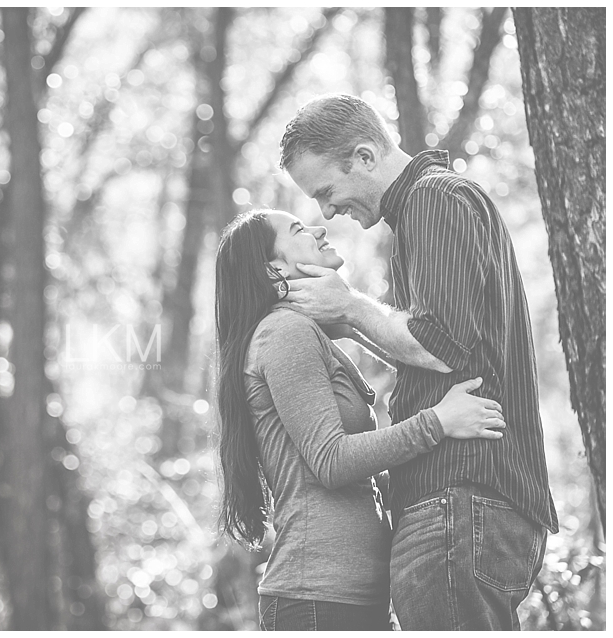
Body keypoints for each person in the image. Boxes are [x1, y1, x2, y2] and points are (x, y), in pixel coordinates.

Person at [277, 94, 558, 631]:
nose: (327, 212)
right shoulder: (421, 215)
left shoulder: (436, 199)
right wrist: (351, 323)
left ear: (363, 156)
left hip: (460, 496)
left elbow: (438, 344)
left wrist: (351, 305)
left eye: (326, 192)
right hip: (459, 506)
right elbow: (439, 358)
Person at [214, 208, 506, 631]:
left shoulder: (303, 330)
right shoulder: (283, 333)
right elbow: (332, 462)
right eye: (297, 229)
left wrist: (350, 320)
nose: (317, 227)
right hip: (318, 601)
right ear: (274, 267)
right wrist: (437, 422)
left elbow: (350, 477)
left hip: (349, 600)